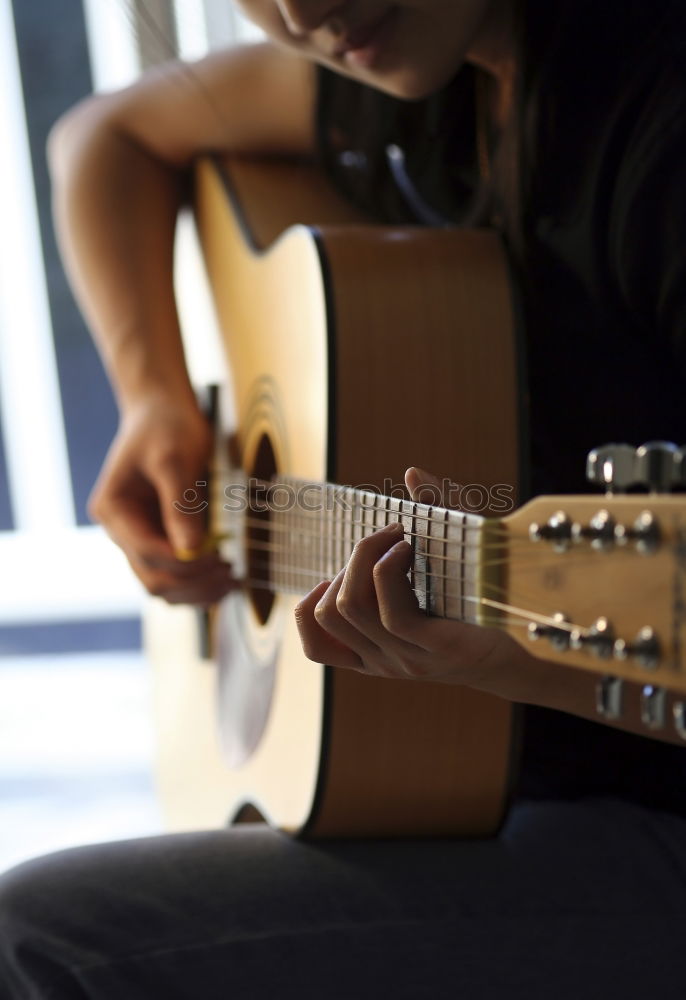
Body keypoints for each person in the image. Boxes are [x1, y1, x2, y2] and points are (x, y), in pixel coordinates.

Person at [2, 0, 686, 995]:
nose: (296, 8)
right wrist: (155, 402)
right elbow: (103, 137)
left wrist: (536, 669)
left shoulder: (652, 133)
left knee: (39, 943)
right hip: (509, 788)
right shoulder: (417, 71)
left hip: (649, 820)